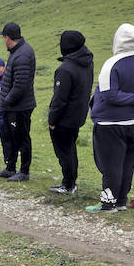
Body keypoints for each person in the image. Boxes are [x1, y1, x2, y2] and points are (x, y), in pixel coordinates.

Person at [87, 23, 134, 212]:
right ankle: (121, 201)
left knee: (111, 164)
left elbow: (109, 94)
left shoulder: (112, 63)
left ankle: (108, 203)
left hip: (111, 122)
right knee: (128, 162)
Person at [47, 30, 94, 194]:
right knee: (71, 149)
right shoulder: (87, 62)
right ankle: (71, 182)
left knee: (64, 152)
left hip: (64, 119)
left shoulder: (65, 70)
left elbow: (59, 100)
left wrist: (52, 120)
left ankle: (68, 184)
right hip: (78, 115)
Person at [0, 22, 35, 182]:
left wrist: (7, 101)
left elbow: (20, 85)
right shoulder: (17, 51)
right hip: (13, 106)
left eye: (3, 38)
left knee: (22, 138)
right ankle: (10, 168)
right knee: (11, 137)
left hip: (19, 107)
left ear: (8, 38)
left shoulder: (22, 54)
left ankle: (24, 171)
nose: (3, 41)